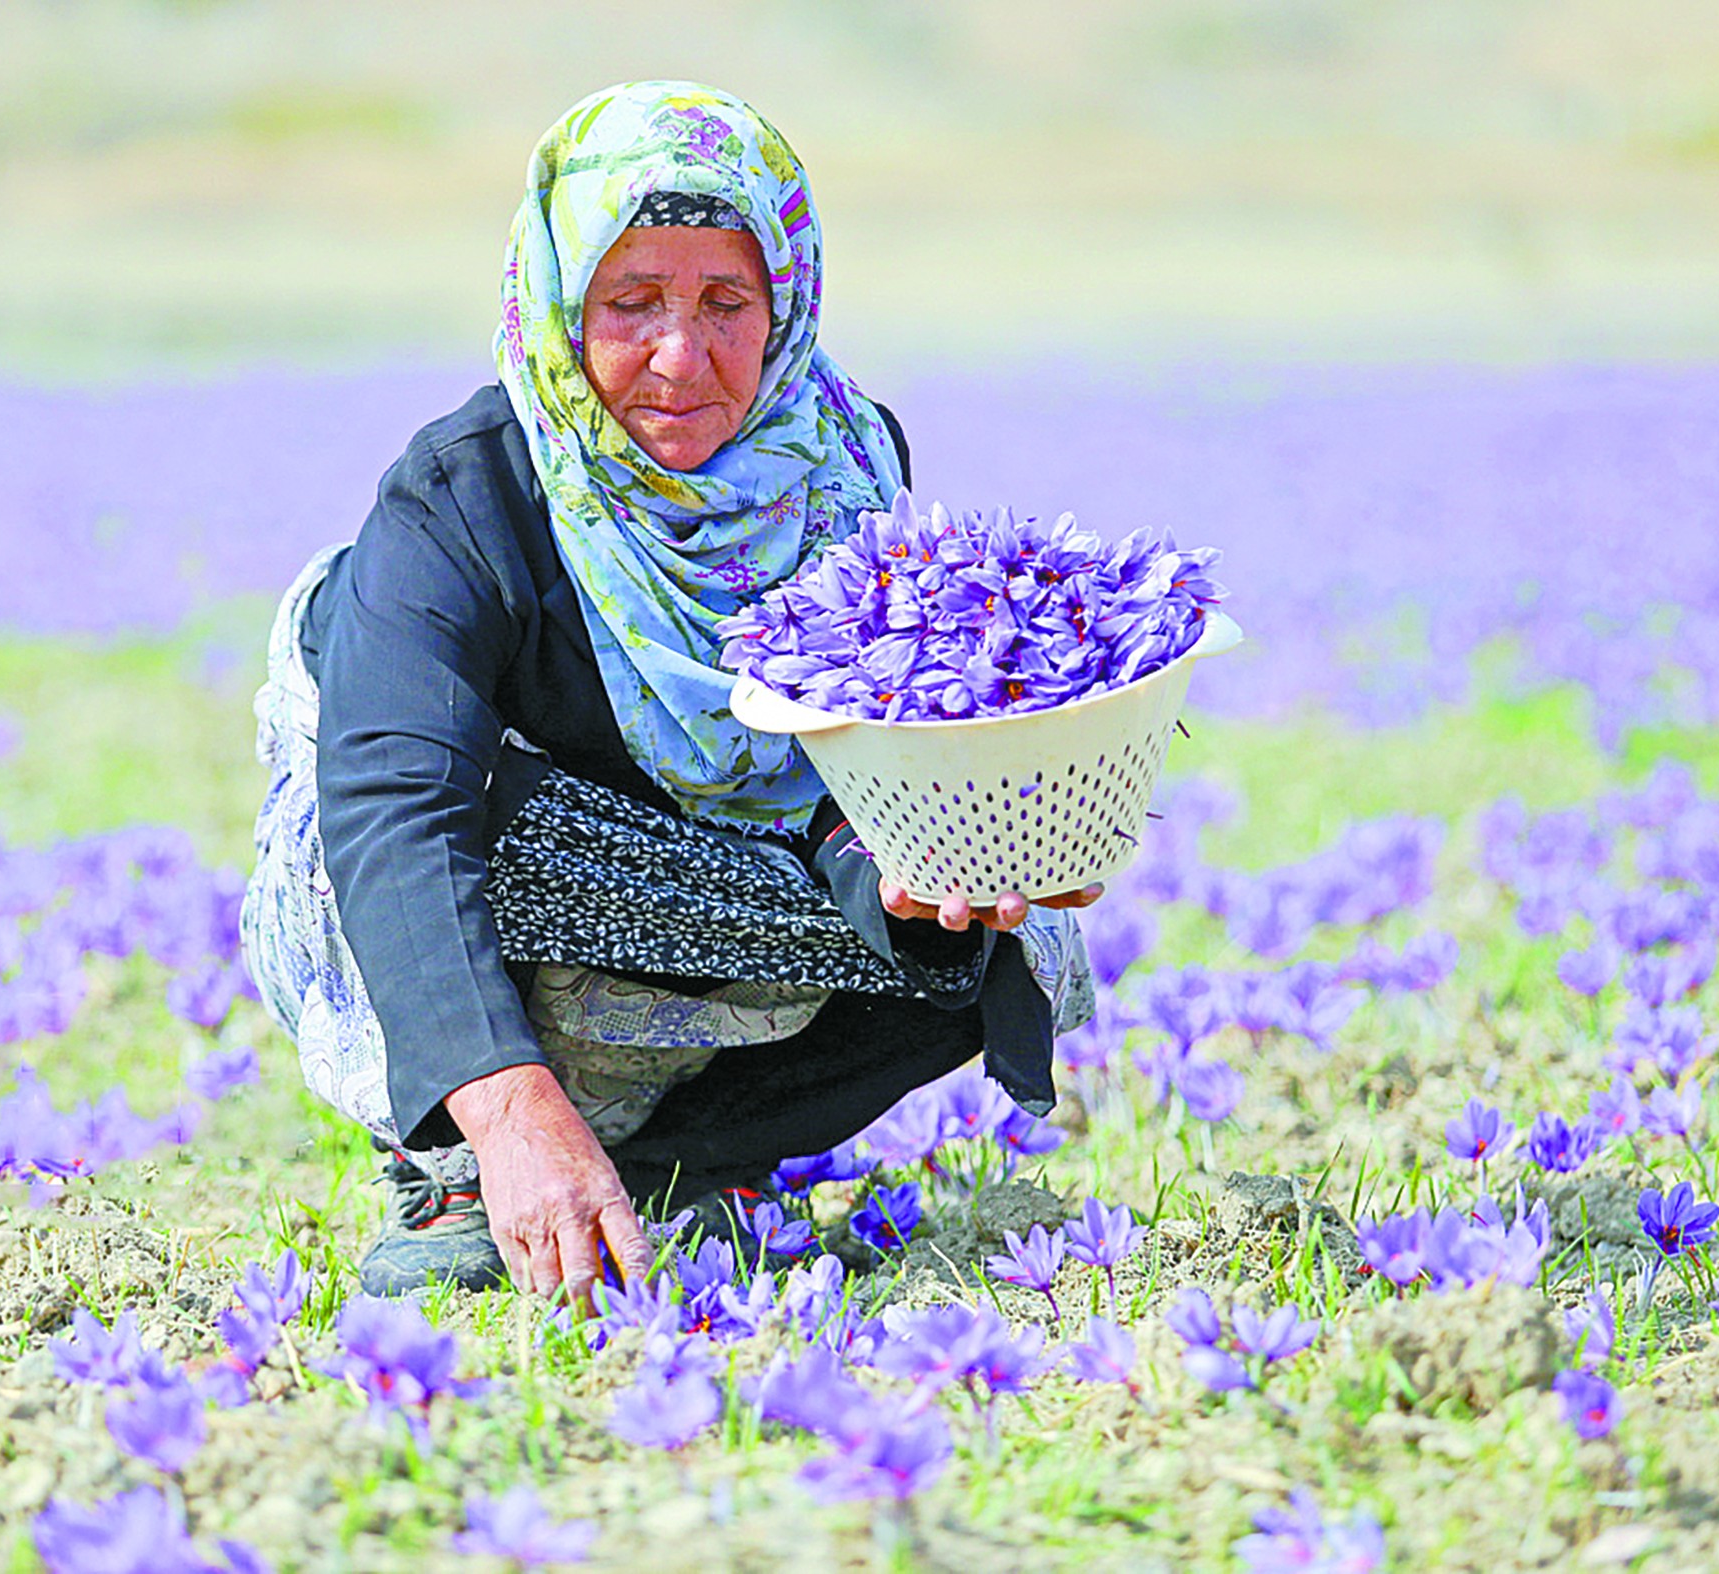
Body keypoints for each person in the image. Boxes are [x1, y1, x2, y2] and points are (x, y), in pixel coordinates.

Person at [240, 81, 1095, 1304]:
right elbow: (394, 805)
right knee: (382, 844)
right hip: (481, 853)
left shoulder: (844, 474)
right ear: (558, 303)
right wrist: (509, 1107)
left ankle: (693, 1161)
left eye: (725, 304)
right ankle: (455, 1166)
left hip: (693, 873)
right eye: (631, 301)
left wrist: (910, 866)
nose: (680, 359)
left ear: (785, 304)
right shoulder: (463, 497)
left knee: (998, 937)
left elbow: (846, 775)